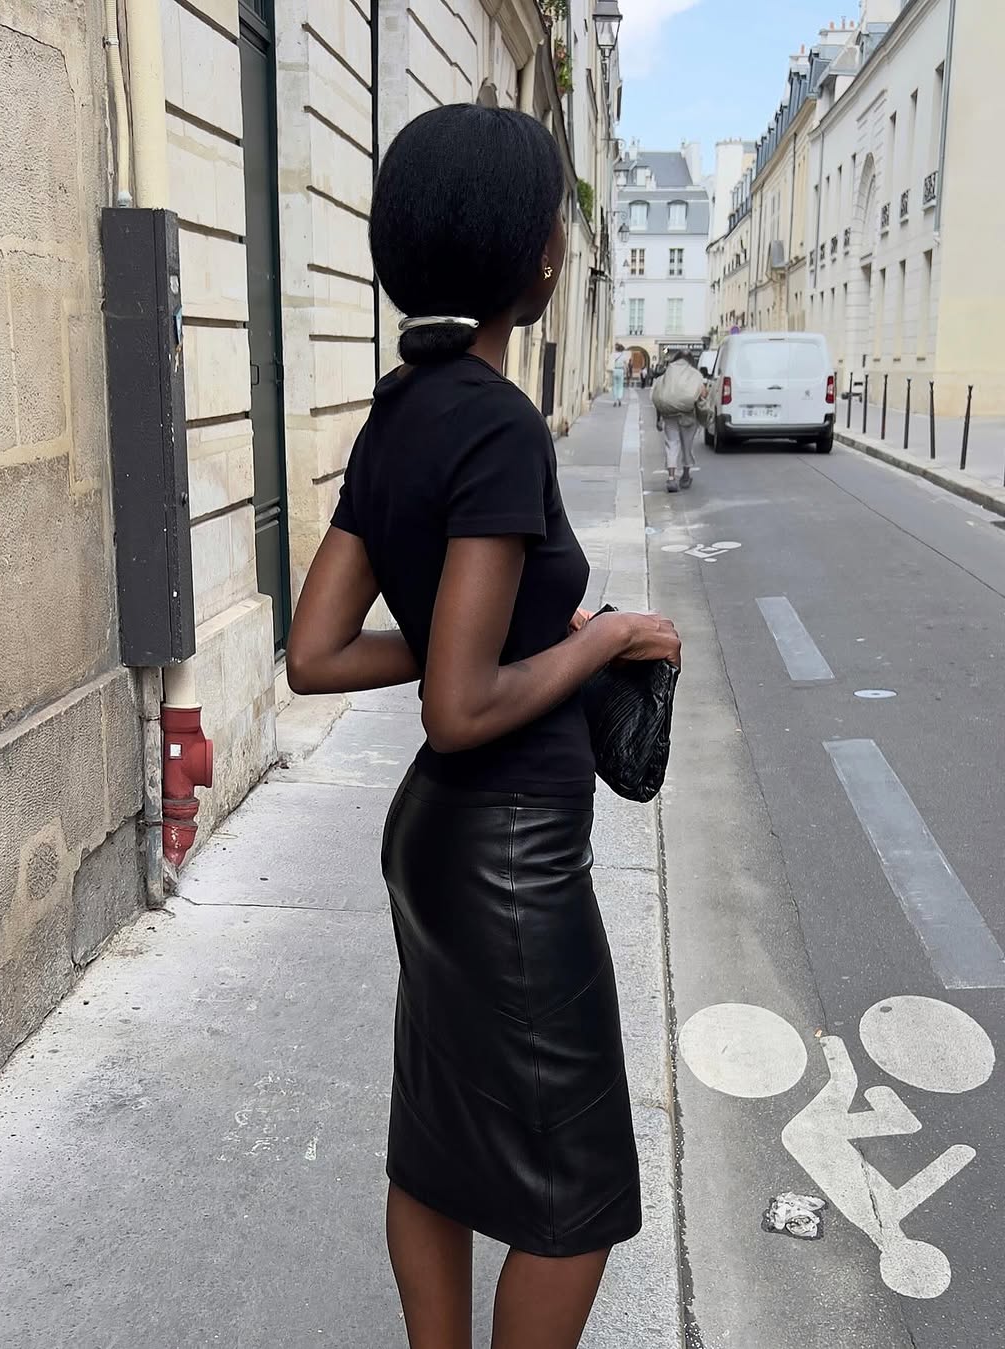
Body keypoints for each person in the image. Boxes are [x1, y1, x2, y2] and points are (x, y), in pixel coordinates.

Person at [285, 104, 681, 1349]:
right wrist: (605, 638)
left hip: (436, 846)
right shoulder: (502, 423)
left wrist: (489, 636)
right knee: (576, 1195)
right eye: (556, 220)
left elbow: (314, 653)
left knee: (440, 1144)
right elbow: (459, 710)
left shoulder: (398, 410)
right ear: (539, 260)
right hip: (510, 855)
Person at [652, 350, 706, 493]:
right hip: (688, 415)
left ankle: (671, 478)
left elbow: (659, 394)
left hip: (669, 415)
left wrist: (658, 418)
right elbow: (702, 395)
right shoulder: (695, 374)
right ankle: (686, 476)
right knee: (687, 446)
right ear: (690, 360)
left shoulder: (667, 373)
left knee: (671, 445)